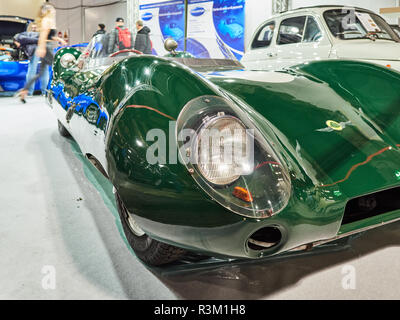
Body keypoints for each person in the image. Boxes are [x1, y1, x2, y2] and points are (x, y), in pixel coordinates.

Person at [17, 2, 66, 103]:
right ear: (49, 11)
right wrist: (42, 48)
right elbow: (43, 36)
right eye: (53, 9)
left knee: (41, 73)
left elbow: (49, 36)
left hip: (46, 46)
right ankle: (61, 92)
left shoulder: (48, 21)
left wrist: (59, 40)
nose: (54, 11)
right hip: (45, 47)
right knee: (58, 67)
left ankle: (25, 91)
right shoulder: (47, 20)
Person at [14, 23, 49, 96]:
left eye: (35, 27)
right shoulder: (26, 34)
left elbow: (20, 38)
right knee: (40, 70)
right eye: (33, 27)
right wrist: (38, 40)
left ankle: (34, 92)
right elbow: (18, 38)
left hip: (38, 50)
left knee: (36, 70)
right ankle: (43, 92)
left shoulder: (26, 34)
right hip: (40, 49)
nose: (34, 28)